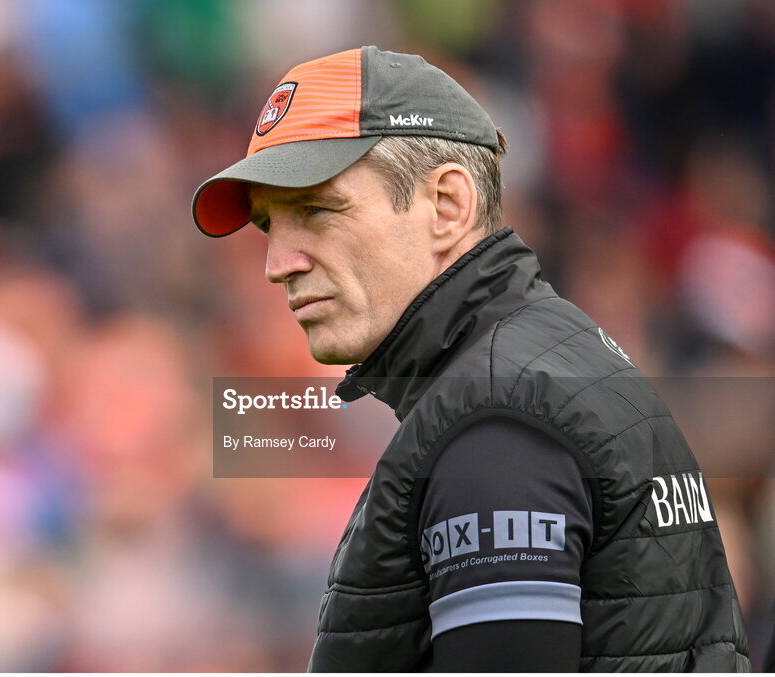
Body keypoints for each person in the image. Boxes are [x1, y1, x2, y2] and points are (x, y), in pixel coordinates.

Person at [191, 46, 750, 672]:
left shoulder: (495, 423)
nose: (277, 265)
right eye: (269, 226)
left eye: (316, 210)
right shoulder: (541, 360)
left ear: (448, 206)